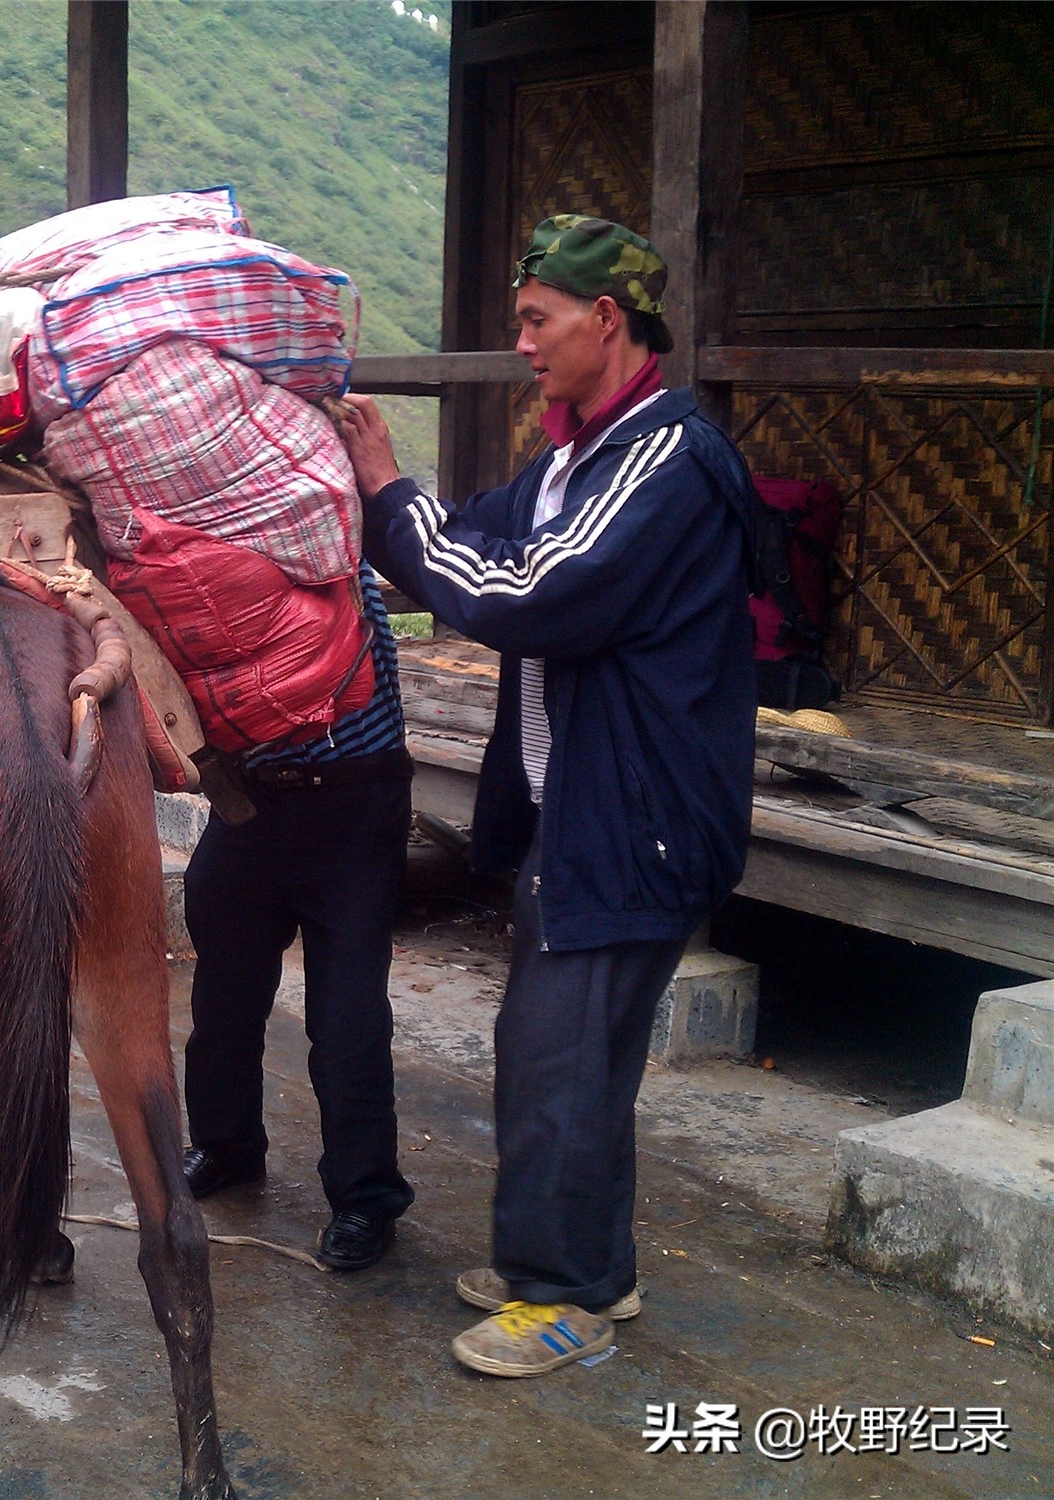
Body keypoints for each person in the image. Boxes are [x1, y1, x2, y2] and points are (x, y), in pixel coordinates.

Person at [335, 216, 757, 1375]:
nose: (519, 342)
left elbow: (524, 592)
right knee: (569, 1051)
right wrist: (381, 511)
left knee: (558, 1058)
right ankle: (589, 1268)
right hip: (580, 809)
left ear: (602, 320)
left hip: (635, 817)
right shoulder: (581, 457)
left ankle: (559, 1296)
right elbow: (475, 536)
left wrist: (385, 492)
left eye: (535, 319)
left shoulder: (665, 462)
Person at [179, 564, 416, 1272]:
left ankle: (365, 1199)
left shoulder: (331, 557)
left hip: (355, 803)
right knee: (222, 995)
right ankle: (226, 1146)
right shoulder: (206, 569)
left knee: (347, 1020)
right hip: (249, 806)